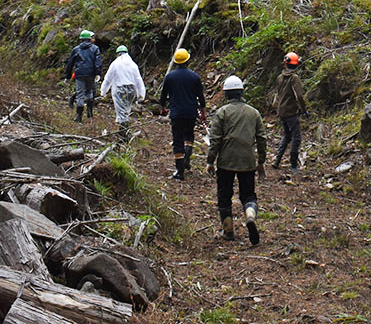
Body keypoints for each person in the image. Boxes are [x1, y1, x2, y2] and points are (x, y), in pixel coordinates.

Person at [206, 75, 267, 244]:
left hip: (226, 162)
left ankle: (228, 231)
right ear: (241, 93)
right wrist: (261, 161)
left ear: (226, 94)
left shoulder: (222, 112)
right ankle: (250, 216)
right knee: (249, 195)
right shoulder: (253, 112)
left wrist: (210, 161)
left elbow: (215, 139)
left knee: (224, 196)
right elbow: (262, 138)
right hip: (247, 162)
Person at [158, 48, 207, 180]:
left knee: (177, 139)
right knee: (189, 135)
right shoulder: (195, 77)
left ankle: (180, 171)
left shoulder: (170, 77)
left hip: (176, 113)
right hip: (191, 112)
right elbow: (201, 97)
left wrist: (162, 109)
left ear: (176, 62)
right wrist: (203, 112)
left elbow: (163, 96)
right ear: (188, 61)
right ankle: (186, 158)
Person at [99, 45, 146, 140]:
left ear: (118, 54)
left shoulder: (115, 63)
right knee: (126, 110)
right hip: (131, 89)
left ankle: (123, 134)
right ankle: (124, 131)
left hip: (120, 89)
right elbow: (138, 80)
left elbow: (108, 79)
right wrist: (141, 94)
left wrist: (103, 91)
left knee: (121, 111)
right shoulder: (133, 64)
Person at [272, 51, 307, 174]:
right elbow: (299, 96)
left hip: (281, 111)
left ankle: (277, 161)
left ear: (285, 64)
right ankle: (293, 165)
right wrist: (304, 110)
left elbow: (277, 95)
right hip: (291, 112)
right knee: (296, 138)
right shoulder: (294, 78)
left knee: (286, 136)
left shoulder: (280, 77)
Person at [64, 30, 102, 123]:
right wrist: (97, 73)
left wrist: (68, 76)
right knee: (89, 92)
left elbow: (70, 63)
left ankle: (79, 117)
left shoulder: (76, 49)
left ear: (81, 39)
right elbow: (98, 62)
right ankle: (89, 113)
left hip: (79, 74)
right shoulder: (95, 48)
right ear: (89, 39)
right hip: (91, 74)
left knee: (80, 94)